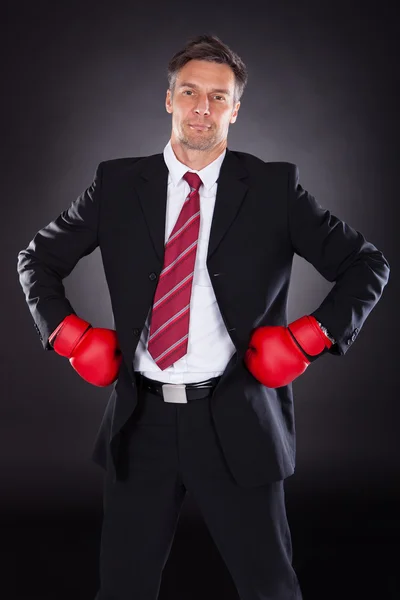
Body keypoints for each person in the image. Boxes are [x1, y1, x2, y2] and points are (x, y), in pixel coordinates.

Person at [17, 33, 390, 600]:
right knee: (122, 589)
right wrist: (67, 335)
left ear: (235, 110)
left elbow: (367, 264)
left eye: (218, 97)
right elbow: (36, 258)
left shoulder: (273, 189)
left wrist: (313, 337)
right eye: (189, 92)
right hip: (141, 422)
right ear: (168, 99)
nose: (202, 108)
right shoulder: (116, 186)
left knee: (270, 588)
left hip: (235, 417)